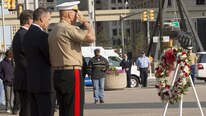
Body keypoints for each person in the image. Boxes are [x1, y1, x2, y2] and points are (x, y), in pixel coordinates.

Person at [48, 1, 95, 116]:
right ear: (69, 14)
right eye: (76, 13)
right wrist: (85, 22)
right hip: (71, 72)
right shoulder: (68, 28)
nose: (77, 16)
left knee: (64, 110)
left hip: (58, 74)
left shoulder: (53, 31)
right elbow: (91, 37)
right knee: (75, 110)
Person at [23, 7, 55, 116]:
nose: (49, 23)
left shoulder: (26, 35)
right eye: (49, 19)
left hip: (32, 83)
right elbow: (50, 58)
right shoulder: (42, 36)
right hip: (45, 84)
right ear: (42, 19)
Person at [12, 9, 33, 115]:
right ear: (29, 21)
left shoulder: (19, 34)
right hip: (26, 77)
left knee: (26, 109)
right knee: (27, 109)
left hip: (23, 77)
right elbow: (31, 55)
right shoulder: (24, 35)